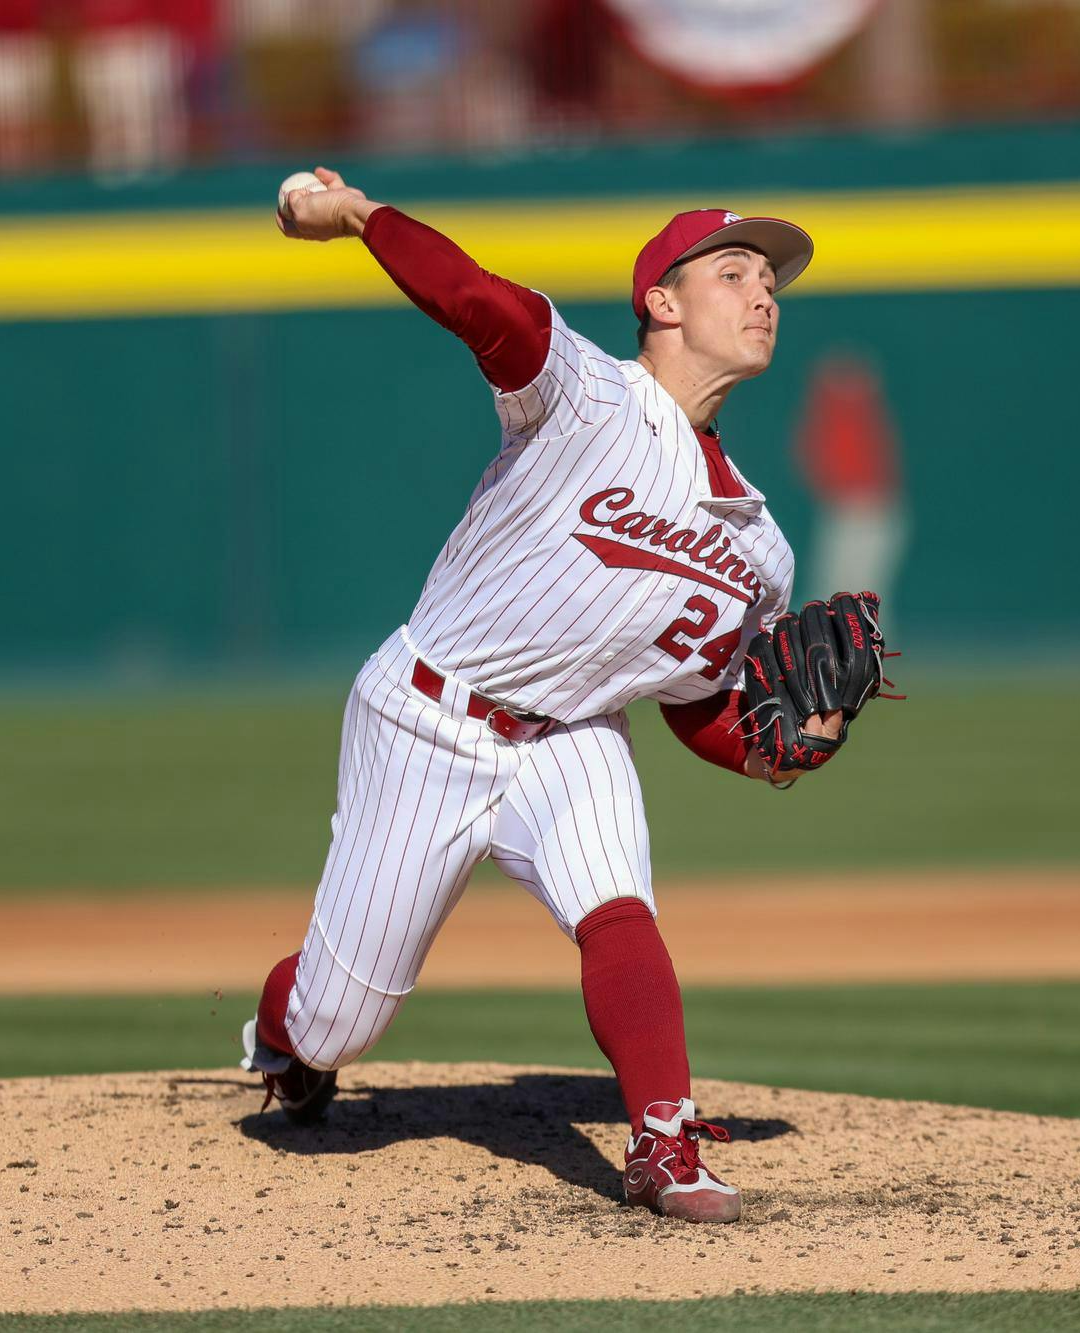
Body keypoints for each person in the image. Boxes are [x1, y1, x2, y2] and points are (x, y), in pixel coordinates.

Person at [241, 166, 855, 1224]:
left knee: (618, 906)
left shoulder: (759, 545)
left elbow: (696, 704)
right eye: (735, 270)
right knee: (338, 1020)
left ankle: (665, 1142)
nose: (764, 295)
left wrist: (781, 742)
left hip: (570, 739)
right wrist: (357, 216)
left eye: (772, 283)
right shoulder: (583, 392)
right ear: (661, 301)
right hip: (425, 716)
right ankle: (281, 1036)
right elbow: (482, 304)